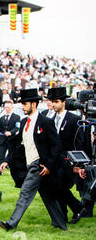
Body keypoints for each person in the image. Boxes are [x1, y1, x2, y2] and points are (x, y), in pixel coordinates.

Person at [0, 88, 68, 231]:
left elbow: (56, 145)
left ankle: (11, 223)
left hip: (39, 164)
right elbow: (18, 146)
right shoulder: (24, 122)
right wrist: (7, 160)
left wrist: (48, 165)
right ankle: (61, 225)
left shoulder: (46, 122)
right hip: (31, 164)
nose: (22, 107)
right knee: (48, 196)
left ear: (34, 104)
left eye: (25, 104)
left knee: (25, 192)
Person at [48, 87, 85, 224]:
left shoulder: (74, 119)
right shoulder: (51, 119)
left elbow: (79, 143)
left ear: (64, 102)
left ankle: (75, 208)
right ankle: (66, 214)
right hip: (55, 161)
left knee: (59, 187)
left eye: (56, 101)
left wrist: (77, 164)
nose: (54, 104)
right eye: (52, 101)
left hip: (67, 161)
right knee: (55, 187)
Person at [0, 100, 20, 175]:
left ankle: (14, 171)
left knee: (12, 155)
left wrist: (11, 132)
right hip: (3, 140)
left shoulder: (16, 117)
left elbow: (17, 127)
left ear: (12, 107)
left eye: (8, 107)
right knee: (0, 156)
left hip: (12, 140)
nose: (7, 109)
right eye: (6, 107)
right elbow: (0, 130)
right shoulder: (2, 118)